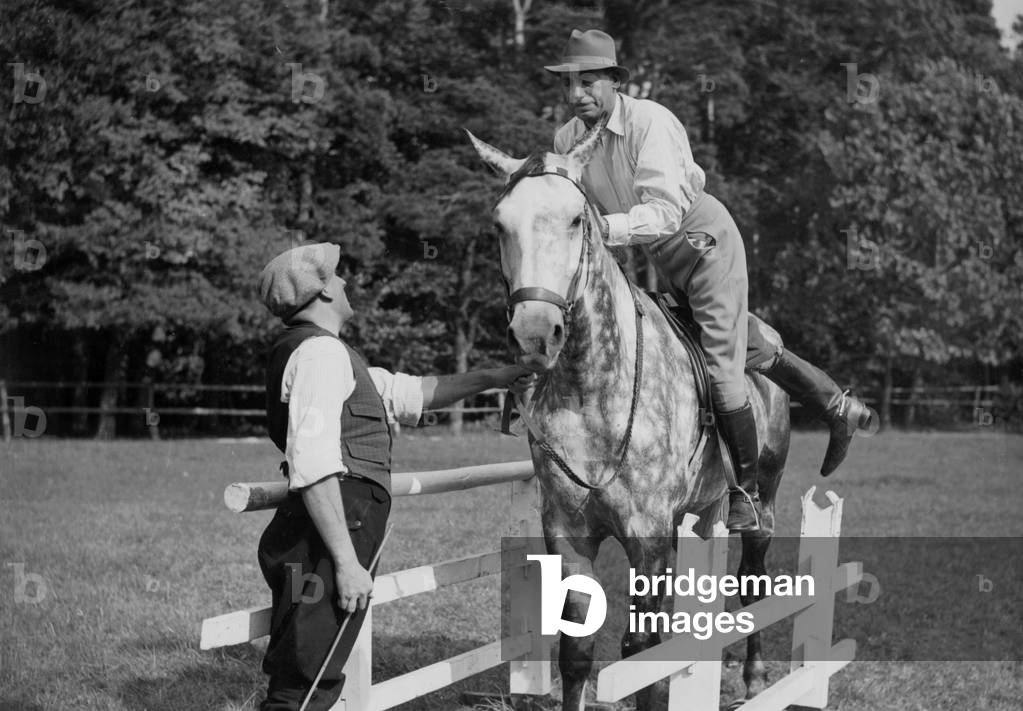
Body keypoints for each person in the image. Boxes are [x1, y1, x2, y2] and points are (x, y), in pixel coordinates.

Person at [544, 29, 873, 532]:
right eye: (570, 84)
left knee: (722, 369)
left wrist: (601, 228)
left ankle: (744, 493)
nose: (576, 95)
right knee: (736, 340)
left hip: (701, 240)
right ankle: (837, 405)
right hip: (658, 252)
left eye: (588, 82)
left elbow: (664, 213)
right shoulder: (567, 140)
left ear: (615, 81)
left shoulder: (651, 122)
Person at [256, 242, 532, 710]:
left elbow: (413, 394)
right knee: (307, 675)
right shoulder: (321, 354)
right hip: (330, 533)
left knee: (315, 664)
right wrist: (345, 562)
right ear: (321, 292)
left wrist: (498, 375)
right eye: (338, 277)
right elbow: (315, 464)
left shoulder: (334, 354)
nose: (346, 283)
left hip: (336, 527)